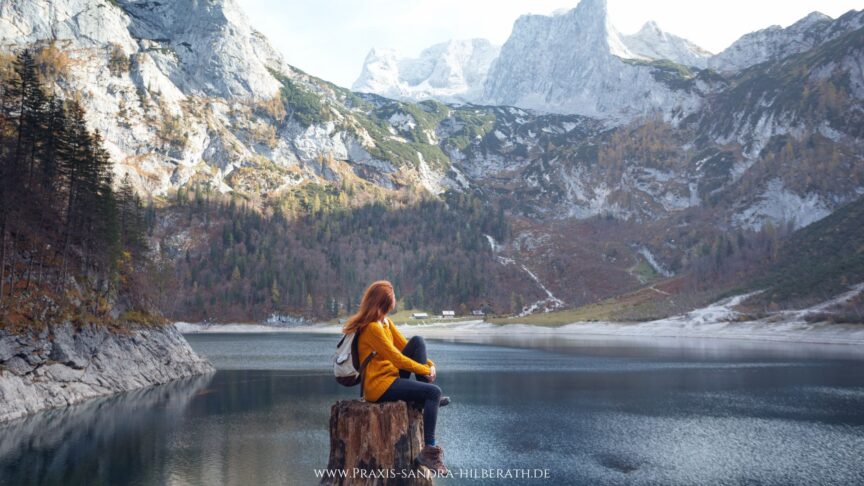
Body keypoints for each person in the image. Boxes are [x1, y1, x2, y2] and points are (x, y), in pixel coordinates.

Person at [342, 280, 451, 475]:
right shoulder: (372, 328)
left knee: (417, 342)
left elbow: (404, 346)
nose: (393, 304)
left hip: (391, 377)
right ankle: (429, 450)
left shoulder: (385, 322)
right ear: (384, 303)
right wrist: (424, 369)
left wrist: (430, 366)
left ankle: (424, 399)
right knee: (434, 393)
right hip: (378, 387)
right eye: (392, 300)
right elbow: (398, 359)